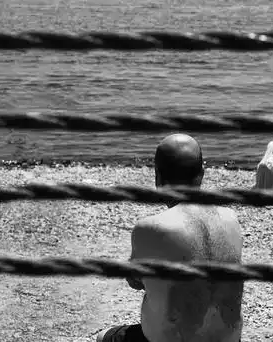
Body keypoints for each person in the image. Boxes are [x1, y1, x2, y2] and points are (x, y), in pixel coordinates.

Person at [96, 134, 244, 342]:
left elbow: (135, 281)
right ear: (201, 175)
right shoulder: (230, 219)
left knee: (103, 337)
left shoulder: (151, 227)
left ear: (158, 178)